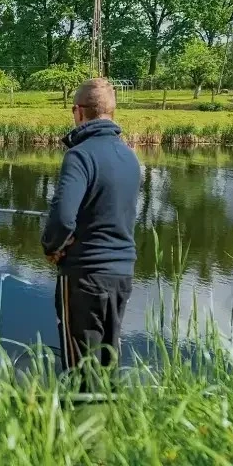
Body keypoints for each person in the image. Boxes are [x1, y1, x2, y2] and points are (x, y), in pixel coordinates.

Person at [41, 78, 141, 391]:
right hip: (122, 275)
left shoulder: (80, 156)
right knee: (107, 362)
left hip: (85, 277)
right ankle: (106, 426)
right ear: (112, 112)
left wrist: (51, 247)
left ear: (78, 111)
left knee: (79, 367)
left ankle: (77, 432)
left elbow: (62, 218)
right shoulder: (130, 157)